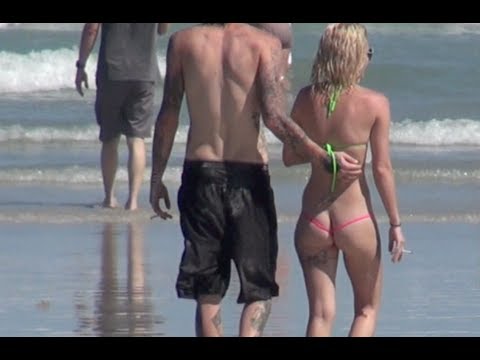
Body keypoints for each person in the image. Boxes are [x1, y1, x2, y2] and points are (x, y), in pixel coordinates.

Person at [149, 23, 362, 337]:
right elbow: (274, 117)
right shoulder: (264, 44)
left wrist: (156, 176)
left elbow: (169, 111)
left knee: (207, 291)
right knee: (258, 289)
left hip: (201, 174)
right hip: (248, 178)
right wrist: (321, 156)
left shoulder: (183, 42)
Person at [282, 23, 407, 337]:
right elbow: (381, 169)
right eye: (368, 53)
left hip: (314, 218)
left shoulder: (305, 98)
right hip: (356, 219)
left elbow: (288, 157)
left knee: (321, 315)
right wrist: (395, 223)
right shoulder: (376, 103)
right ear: (357, 56)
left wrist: (324, 153)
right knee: (366, 309)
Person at [75, 23, 169, 210]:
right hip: (144, 73)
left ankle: (109, 198)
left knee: (110, 138)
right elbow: (162, 29)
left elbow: (92, 29)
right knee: (137, 139)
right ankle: (133, 201)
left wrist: (81, 65)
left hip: (112, 72)